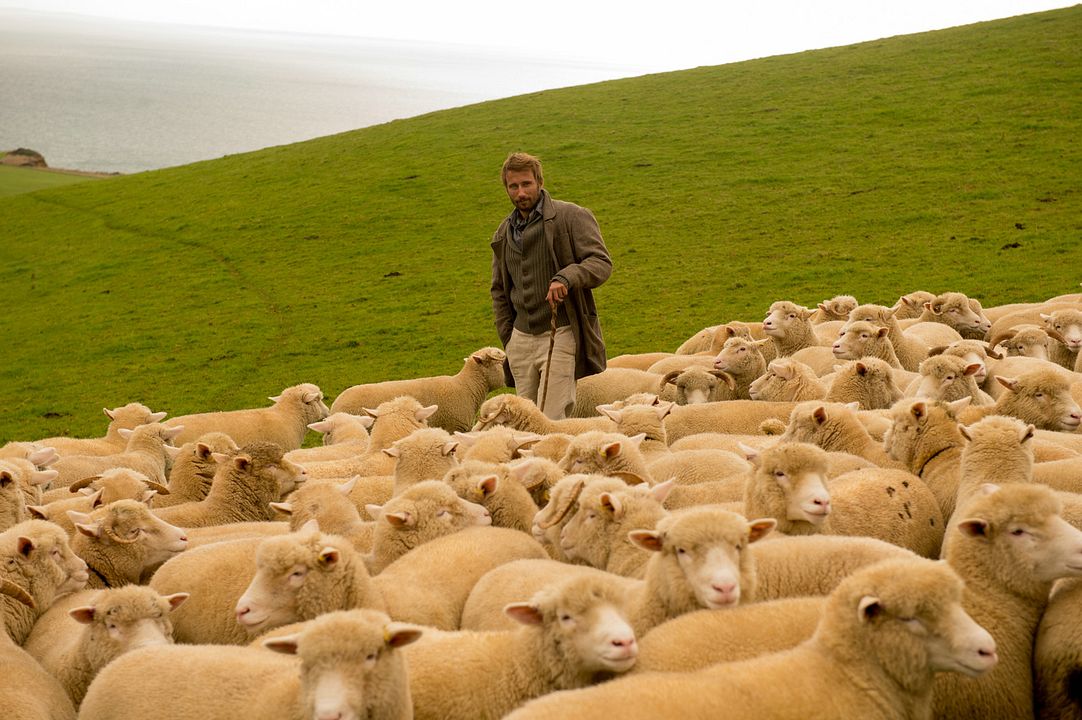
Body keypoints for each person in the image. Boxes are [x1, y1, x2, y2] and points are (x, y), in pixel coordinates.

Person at [490, 152, 612, 420]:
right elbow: (499, 290)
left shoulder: (571, 216)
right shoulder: (503, 232)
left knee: (551, 420)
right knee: (521, 422)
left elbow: (601, 263)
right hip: (520, 340)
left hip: (559, 333)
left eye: (526, 184)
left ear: (540, 182)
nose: (521, 192)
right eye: (514, 186)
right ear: (507, 188)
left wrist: (567, 277)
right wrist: (508, 338)